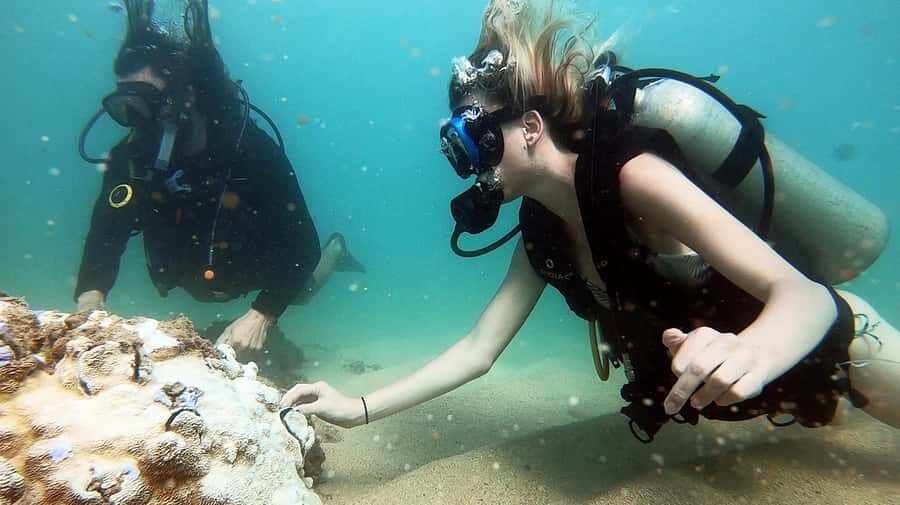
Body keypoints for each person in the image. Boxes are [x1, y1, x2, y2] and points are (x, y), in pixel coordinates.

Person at [281, 0, 898, 441]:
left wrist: (753, 353)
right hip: (763, 393)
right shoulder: (540, 231)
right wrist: (356, 406)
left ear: (528, 127)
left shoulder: (633, 177)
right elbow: (477, 350)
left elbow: (806, 298)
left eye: (471, 139)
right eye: (456, 150)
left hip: (843, 350)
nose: (468, 167)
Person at [75, 0, 364, 352]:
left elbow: (302, 247)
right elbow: (107, 231)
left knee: (300, 293)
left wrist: (263, 313)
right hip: (191, 274)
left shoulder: (250, 150)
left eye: (146, 102)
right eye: (125, 106)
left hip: (254, 265)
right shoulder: (131, 157)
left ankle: (336, 250)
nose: (137, 120)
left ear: (185, 95)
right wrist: (91, 298)